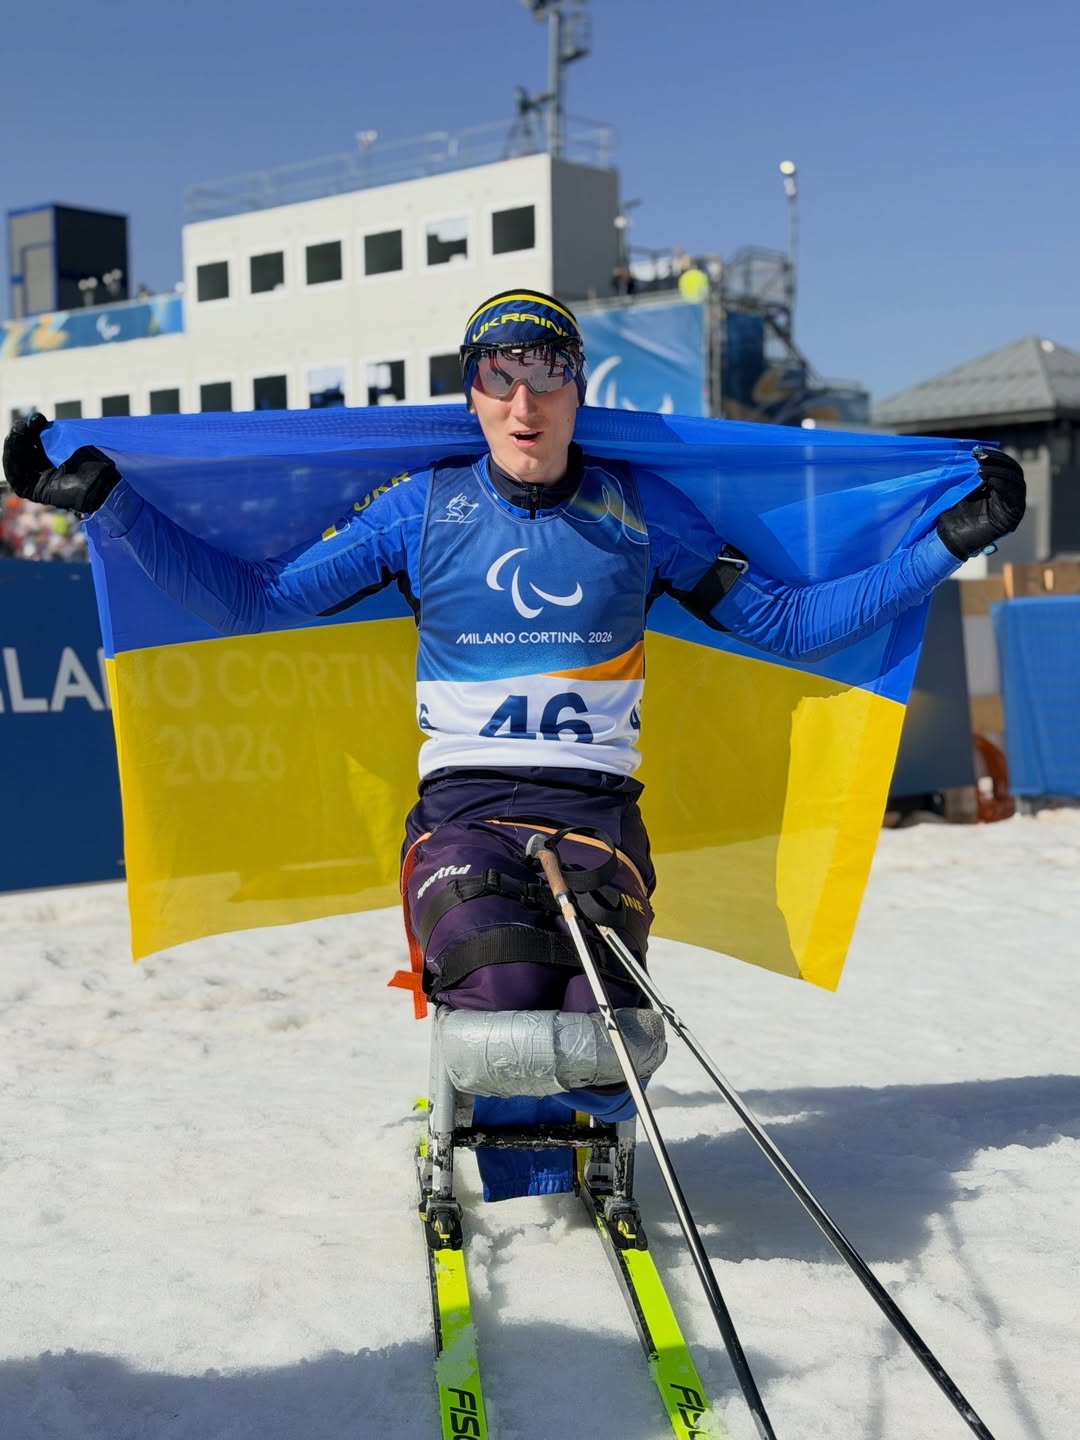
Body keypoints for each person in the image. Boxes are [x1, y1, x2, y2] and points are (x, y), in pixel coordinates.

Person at [2, 288, 1025, 1106]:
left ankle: (585, 1123)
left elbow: (791, 626)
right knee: (503, 1019)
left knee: (610, 1047)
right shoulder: (421, 511)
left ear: (578, 389)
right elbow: (260, 603)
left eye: (548, 377)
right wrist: (112, 504)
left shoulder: (641, 513)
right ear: (475, 395)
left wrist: (957, 535)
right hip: (464, 819)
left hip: (597, 822)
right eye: (502, 380)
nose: (525, 407)